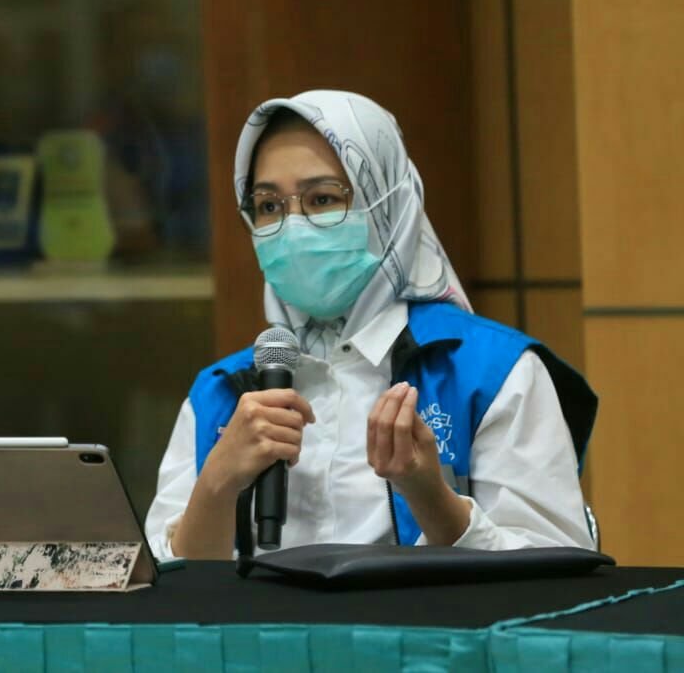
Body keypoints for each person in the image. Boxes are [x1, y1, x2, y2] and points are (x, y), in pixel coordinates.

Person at [145, 90, 597, 560]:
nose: (293, 227)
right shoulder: (222, 392)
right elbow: (160, 581)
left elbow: (555, 572)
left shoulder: (491, 372)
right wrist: (217, 485)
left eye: (323, 199)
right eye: (269, 206)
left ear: (388, 206)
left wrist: (433, 499)